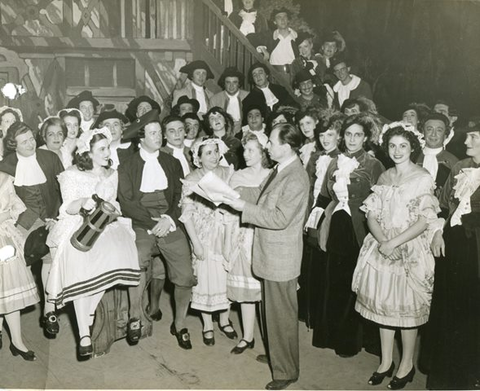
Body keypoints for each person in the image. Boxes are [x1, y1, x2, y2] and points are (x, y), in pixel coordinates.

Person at [351, 123, 441, 389]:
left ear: (413, 147)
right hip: (383, 245)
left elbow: (425, 219)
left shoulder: (422, 176)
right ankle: (386, 361)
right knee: (383, 307)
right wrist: (383, 242)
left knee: (405, 311)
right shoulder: (385, 176)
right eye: (392, 145)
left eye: (403, 145)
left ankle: (406, 364)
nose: (397, 150)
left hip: (409, 246)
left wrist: (395, 243)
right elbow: (371, 214)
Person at [222, 123, 309, 390]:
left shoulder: (295, 177)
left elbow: (280, 218)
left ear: (287, 145)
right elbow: (263, 196)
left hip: (280, 257)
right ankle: (277, 356)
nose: (268, 146)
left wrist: (242, 207)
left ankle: (285, 371)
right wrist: (231, 194)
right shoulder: (281, 170)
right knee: (270, 311)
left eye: (271, 142)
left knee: (281, 314)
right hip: (269, 253)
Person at [45, 127, 141, 358]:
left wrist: (111, 209)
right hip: (79, 224)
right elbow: (67, 206)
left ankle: (87, 319)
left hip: (107, 224)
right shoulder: (71, 174)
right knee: (82, 260)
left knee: (115, 256)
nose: (108, 152)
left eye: (108, 147)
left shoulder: (112, 173)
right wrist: (84, 201)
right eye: (102, 149)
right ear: (88, 152)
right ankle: (84, 333)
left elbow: (113, 203)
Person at [118, 109, 196, 349]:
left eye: (159, 132)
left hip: (168, 221)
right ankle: (134, 315)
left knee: (184, 272)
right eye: (153, 133)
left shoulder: (171, 162)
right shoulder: (127, 165)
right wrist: (153, 224)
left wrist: (170, 219)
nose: (159, 137)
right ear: (141, 138)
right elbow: (127, 201)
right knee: (138, 258)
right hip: (142, 223)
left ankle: (180, 324)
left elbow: (177, 195)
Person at [316, 113, 385, 357]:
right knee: (334, 279)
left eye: (358, 135)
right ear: (342, 136)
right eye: (348, 134)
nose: (352, 139)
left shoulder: (373, 164)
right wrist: (315, 218)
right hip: (337, 224)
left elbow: (382, 198)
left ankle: (351, 341)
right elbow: (325, 193)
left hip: (360, 228)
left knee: (356, 283)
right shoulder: (334, 162)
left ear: (365, 138)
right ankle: (331, 335)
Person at [426, 124, 480, 390]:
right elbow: (445, 205)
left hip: (477, 252)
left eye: (474, 137)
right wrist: (438, 232)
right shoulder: (460, 167)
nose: (467, 140)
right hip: (454, 246)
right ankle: (447, 375)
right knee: (450, 310)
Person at [0, 122, 63, 337]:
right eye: (24, 142)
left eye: (31, 139)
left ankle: (49, 309)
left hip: (50, 217)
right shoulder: (7, 164)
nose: (30, 144)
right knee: (12, 262)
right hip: (21, 221)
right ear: (13, 145)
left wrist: (54, 218)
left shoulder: (50, 159)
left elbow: (63, 192)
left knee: (53, 255)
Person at [180, 137, 238, 347]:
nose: (213, 156)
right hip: (204, 234)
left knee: (226, 275)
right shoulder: (192, 178)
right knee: (205, 278)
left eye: (215, 151)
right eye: (208, 153)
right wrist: (196, 242)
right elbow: (187, 214)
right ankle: (207, 324)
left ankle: (224, 319)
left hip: (226, 231)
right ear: (199, 158)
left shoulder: (228, 172)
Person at [224, 131, 271, 354]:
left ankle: (272, 342)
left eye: (251, 149)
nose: (246, 153)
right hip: (243, 236)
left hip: (266, 237)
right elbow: (230, 207)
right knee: (246, 292)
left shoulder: (273, 175)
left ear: (263, 152)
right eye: (245, 149)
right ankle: (248, 337)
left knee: (267, 293)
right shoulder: (237, 176)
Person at [300, 112, 344, 331]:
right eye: (322, 135)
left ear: (338, 135)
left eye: (330, 134)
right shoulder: (316, 157)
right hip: (312, 210)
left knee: (324, 263)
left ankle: (321, 318)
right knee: (310, 262)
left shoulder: (342, 159)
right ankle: (309, 313)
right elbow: (308, 186)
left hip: (328, 213)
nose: (325, 139)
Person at [0, 172, 40, 361]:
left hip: (4, 238)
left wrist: (6, 214)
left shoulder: (5, 179)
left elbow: (17, 205)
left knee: (9, 288)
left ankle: (16, 341)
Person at [416, 113, 458, 199]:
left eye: (439, 130)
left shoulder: (454, 163)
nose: (433, 134)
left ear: (445, 135)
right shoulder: (412, 159)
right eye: (429, 129)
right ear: (423, 132)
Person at [250, 8, 298, 81]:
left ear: (288, 20)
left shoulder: (297, 37)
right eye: (279, 17)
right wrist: (263, 49)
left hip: (294, 76)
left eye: (285, 17)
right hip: (274, 75)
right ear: (275, 22)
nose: (282, 20)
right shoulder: (269, 36)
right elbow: (250, 37)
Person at [210, 67, 249, 135]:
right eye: (228, 82)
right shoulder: (215, 99)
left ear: (239, 83)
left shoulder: (248, 96)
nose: (231, 86)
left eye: (234, 82)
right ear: (224, 84)